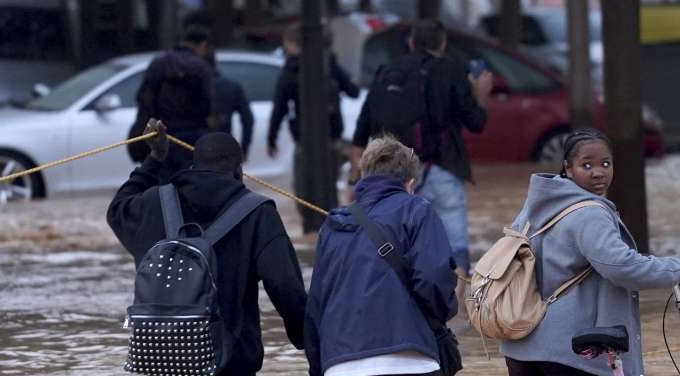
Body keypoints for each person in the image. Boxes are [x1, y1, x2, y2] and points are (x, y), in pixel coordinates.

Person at [106, 122, 307, 376]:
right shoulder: (257, 211)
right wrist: (308, 342)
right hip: (228, 364)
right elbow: (286, 287)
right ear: (239, 170)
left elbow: (117, 209)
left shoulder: (154, 202)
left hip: (164, 360)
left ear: (193, 163)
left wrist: (153, 161)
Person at [501, 129, 680, 376]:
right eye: (587, 165)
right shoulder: (590, 213)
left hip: (520, 343)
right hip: (571, 349)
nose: (599, 171)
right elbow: (622, 267)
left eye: (606, 163)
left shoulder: (534, 207)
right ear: (567, 168)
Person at [304, 135, 458, 376]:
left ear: (362, 176)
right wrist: (440, 318)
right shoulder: (416, 210)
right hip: (407, 362)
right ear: (410, 182)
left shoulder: (334, 224)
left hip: (342, 370)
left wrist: (323, 371)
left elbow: (317, 304)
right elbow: (433, 281)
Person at [351, 19, 492, 285]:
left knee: (396, 244)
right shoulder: (451, 71)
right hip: (441, 168)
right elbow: (477, 123)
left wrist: (354, 180)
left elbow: (361, 132)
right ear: (443, 43)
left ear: (411, 42)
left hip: (391, 176)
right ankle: (453, 315)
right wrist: (480, 95)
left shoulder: (386, 72)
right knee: (454, 245)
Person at [266, 23, 360, 233]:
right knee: (329, 188)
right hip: (331, 139)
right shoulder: (329, 64)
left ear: (293, 44)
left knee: (304, 189)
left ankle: (312, 229)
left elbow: (279, 107)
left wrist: (271, 138)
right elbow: (353, 91)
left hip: (305, 142)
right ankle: (333, 228)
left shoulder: (291, 69)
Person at [126, 24, 215, 168]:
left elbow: (144, 100)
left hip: (161, 137)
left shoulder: (158, 63)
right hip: (191, 140)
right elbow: (208, 106)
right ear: (203, 45)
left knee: (161, 185)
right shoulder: (202, 67)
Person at [207, 49, 254, 160]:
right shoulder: (231, 87)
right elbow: (248, 119)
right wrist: (244, 148)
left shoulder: (188, 88)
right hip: (223, 147)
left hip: (192, 149)